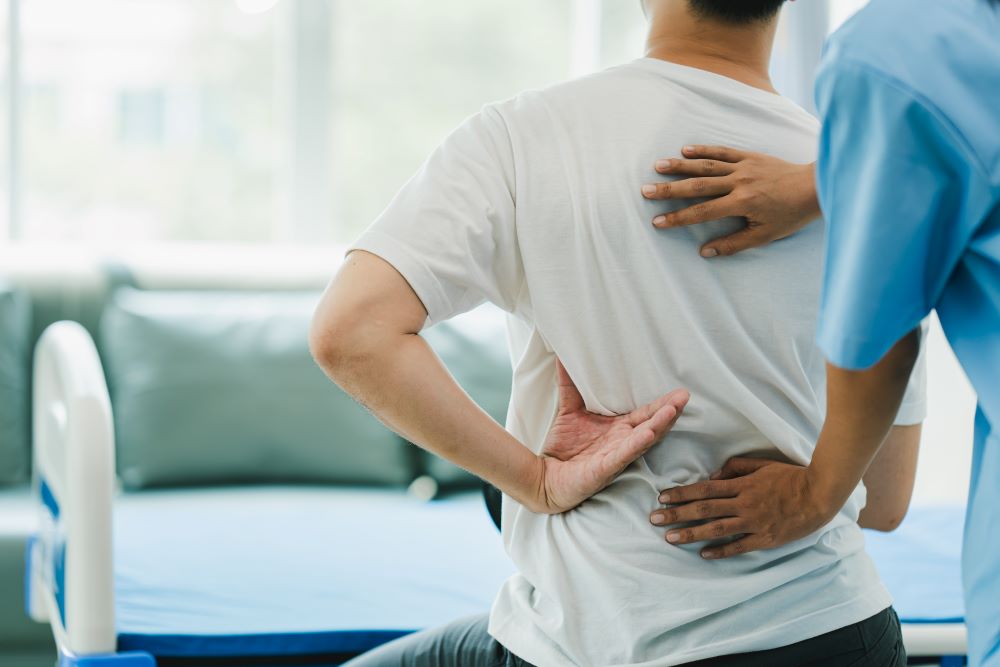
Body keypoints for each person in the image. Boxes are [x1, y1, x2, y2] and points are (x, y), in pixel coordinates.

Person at [310, 1, 927, 665]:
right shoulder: (856, 182)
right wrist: (809, 489)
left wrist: (533, 478)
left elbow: (352, 331)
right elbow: (886, 499)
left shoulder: (522, 137)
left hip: (600, 642)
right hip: (829, 630)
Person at [640, 1, 1000, 664]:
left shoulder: (900, 53)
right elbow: (888, 502)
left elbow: (883, 342)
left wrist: (815, 491)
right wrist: (821, 180)